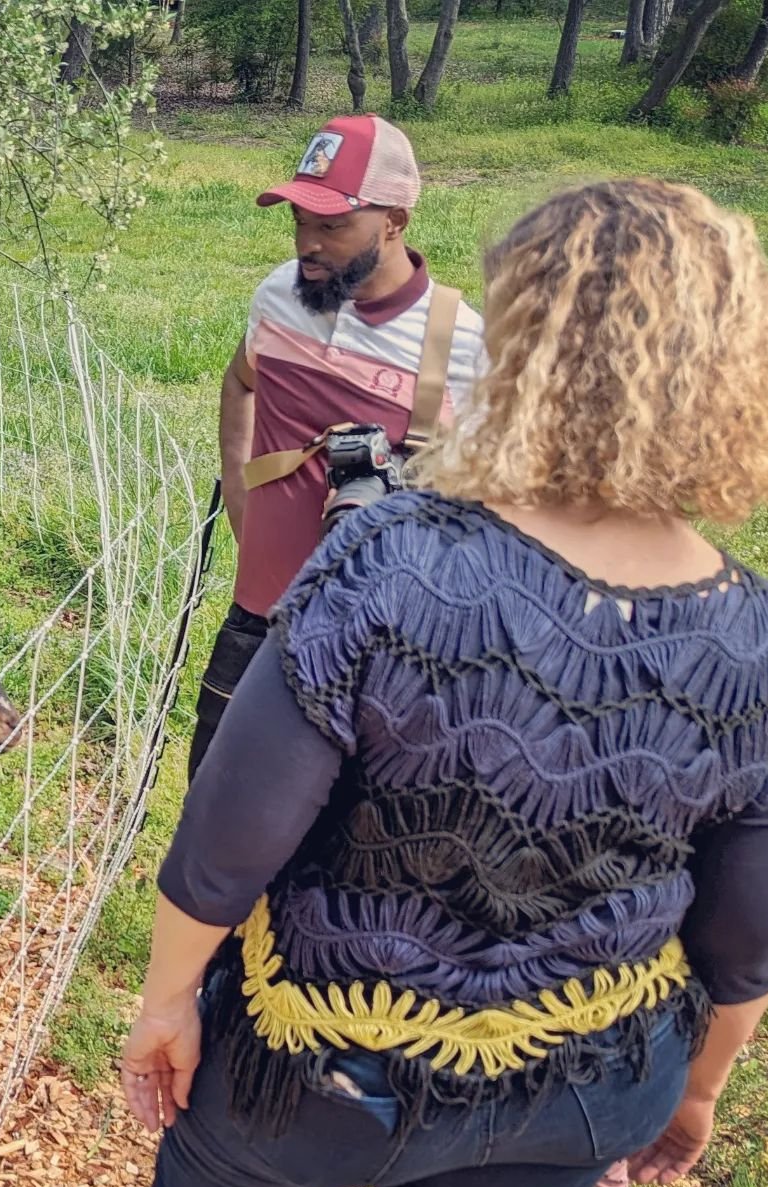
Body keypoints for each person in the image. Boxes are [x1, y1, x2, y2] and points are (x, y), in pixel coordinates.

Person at [10, 178, 768, 1187]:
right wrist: (700, 1090)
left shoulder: (394, 558)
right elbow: (748, 944)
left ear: (523, 345)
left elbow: (230, 837)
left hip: (314, 1058)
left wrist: (170, 999)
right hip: (577, 1073)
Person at [188, 114, 485, 783]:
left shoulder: (463, 346)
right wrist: (243, 504)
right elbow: (241, 382)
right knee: (213, 807)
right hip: (258, 624)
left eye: (332, 225)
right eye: (299, 222)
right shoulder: (278, 297)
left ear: (395, 220)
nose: (308, 245)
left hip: (382, 655)